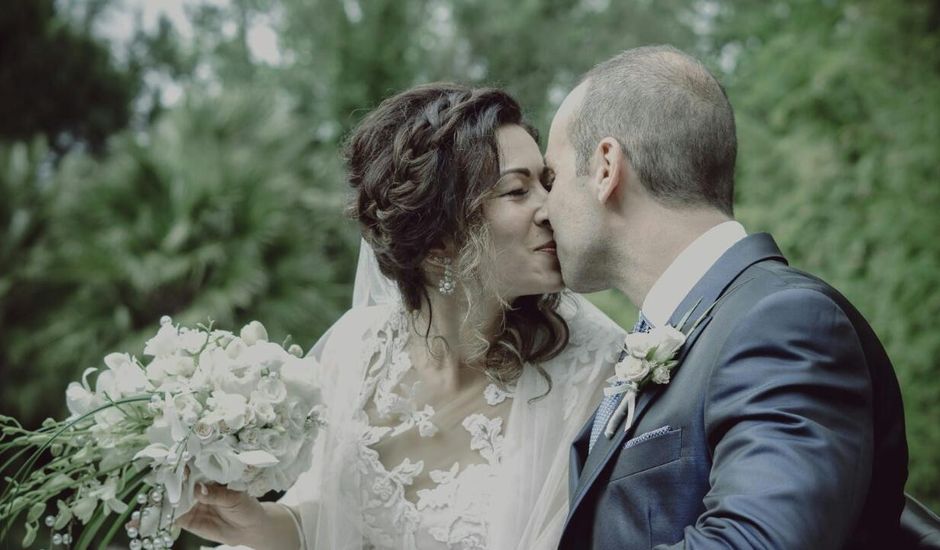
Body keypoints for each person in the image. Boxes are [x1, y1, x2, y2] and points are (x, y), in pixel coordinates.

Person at [176, 83, 626, 549]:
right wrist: (259, 526)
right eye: (517, 190)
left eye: (546, 184)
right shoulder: (358, 351)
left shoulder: (595, 367)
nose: (550, 208)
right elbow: (325, 524)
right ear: (437, 243)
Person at [545, 45, 909, 549]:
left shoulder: (783, 322)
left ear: (606, 166)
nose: (544, 209)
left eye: (551, 177)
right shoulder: (699, 328)